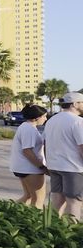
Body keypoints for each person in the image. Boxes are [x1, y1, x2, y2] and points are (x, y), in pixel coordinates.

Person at [44, 92, 83, 220]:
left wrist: (48, 164)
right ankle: (71, 232)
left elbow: (45, 144)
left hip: (54, 166)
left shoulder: (51, 120)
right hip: (73, 168)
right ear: (75, 104)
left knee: (57, 200)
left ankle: (51, 228)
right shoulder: (78, 122)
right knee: (74, 202)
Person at [9, 104, 49, 207]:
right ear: (36, 118)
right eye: (44, 116)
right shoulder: (29, 129)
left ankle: (7, 213)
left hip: (22, 167)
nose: (45, 118)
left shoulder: (25, 127)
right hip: (30, 169)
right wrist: (41, 167)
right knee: (38, 199)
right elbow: (27, 151)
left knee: (28, 196)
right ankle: (35, 222)